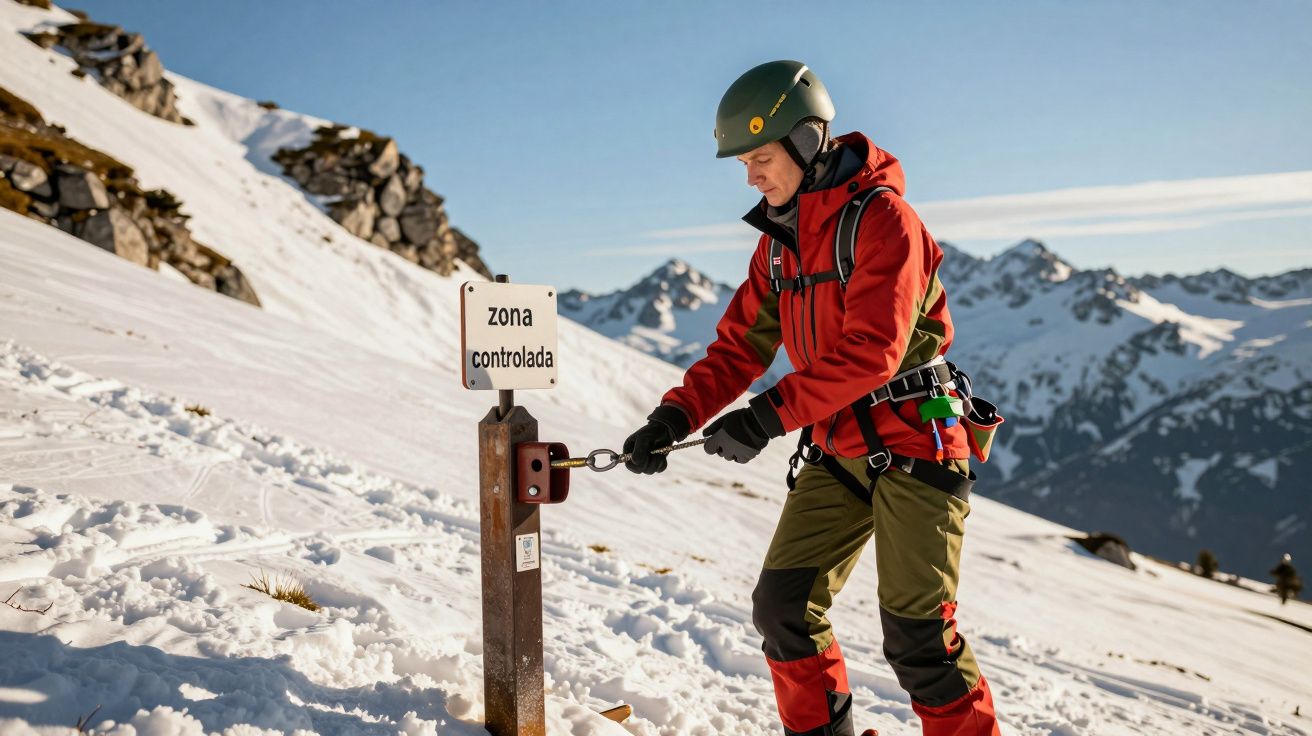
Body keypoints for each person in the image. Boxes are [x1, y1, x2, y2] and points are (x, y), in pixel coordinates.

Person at [622, 60, 1001, 736]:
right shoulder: (778, 246)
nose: (750, 176)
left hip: (916, 438)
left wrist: (766, 417)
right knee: (783, 609)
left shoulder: (884, 221)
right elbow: (739, 347)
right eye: (743, 162)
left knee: (918, 640)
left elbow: (874, 350)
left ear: (805, 140)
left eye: (761, 157)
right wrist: (672, 415)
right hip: (838, 445)